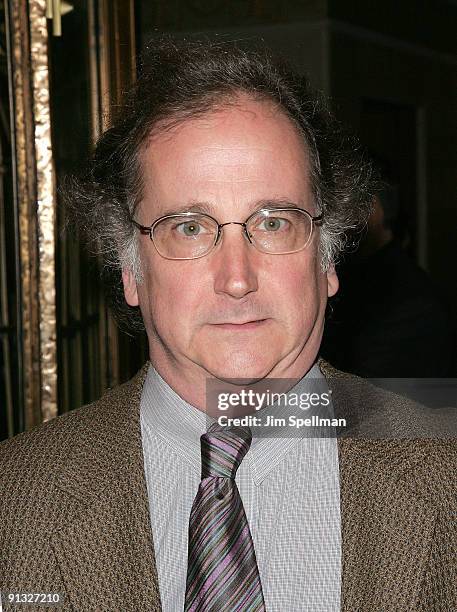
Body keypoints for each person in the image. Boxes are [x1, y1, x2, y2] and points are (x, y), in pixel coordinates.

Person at [0, 38, 455, 612]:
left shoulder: (445, 478)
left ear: (327, 258)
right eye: (188, 227)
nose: (237, 278)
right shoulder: (14, 498)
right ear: (131, 272)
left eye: (273, 222)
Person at [322, 162, 454, 378]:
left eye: (342, 206)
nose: (333, 219)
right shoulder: (355, 278)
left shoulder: (409, 301)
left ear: (374, 209)